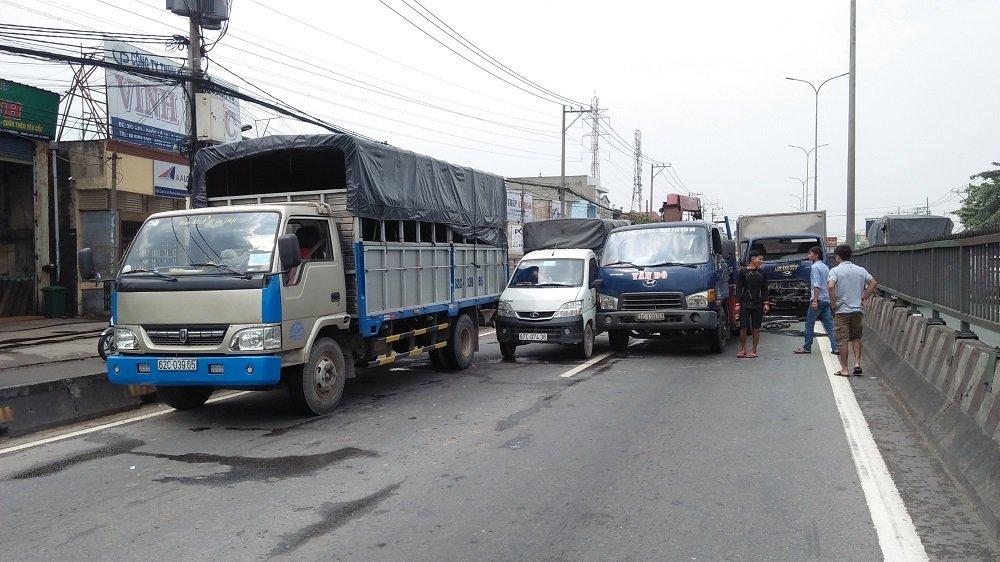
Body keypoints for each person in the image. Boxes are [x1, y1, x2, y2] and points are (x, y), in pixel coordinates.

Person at [828, 244, 877, 377]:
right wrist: (864, 297)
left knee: (842, 339)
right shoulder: (861, 270)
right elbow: (873, 283)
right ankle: (857, 363)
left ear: (838, 256)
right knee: (856, 337)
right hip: (857, 310)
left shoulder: (835, 271)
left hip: (842, 310)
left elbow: (831, 286)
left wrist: (833, 303)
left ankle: (844, 368)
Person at [794, 246, 839, 356]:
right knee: (829, 325)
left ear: (816, 255)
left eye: (810, 254)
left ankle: (807, 347)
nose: (808, 256)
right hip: (826, 300)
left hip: (818, 299)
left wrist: (814, 300)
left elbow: (816, 285)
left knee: (809, 324)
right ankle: (835, 347)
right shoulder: (825, 267)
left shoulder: (814, 267)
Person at [736, 249, 771, 358]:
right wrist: (737, 304)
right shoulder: (743, 272)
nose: (761, 261)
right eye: (760, 259)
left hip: (758, 303)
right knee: (743, 327)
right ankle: (742, 349)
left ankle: (754, 350)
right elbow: (739, 288)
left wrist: (766, 303)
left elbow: (765, 289)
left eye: (762, 260)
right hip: (745, 303)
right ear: (753, 259)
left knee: (756, 328)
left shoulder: (762, 273)